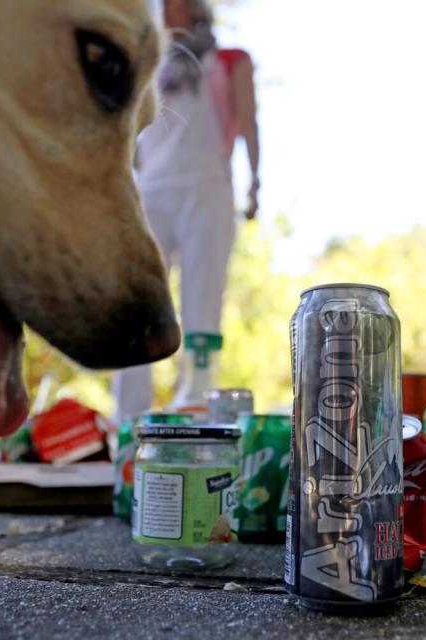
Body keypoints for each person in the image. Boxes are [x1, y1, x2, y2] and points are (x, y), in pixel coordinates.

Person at [112, 0, 260, 420]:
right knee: (139, 297)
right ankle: (127, 415)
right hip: (152, 189)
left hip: (207, 188)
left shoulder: (229, 60)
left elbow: (249, 121)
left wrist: (255, 182)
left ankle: (196, 402)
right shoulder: (146, 64)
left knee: (202, 297)